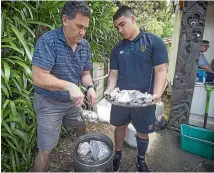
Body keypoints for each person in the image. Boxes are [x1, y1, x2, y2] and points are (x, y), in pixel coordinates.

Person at [32, 1, 96, 172]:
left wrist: (89, 87)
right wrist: (69, 86)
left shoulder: (85, 45)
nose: (82, 32)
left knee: (81, 129)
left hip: (73, 101)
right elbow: (38, 77)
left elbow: (85, 73)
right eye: (79, 26)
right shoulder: (49, 41)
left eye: (85, 28)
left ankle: (81, 165)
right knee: (46, 150)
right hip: (49, 102)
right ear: (65, 20)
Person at [104, 6, 168, 172]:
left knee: (142, 131)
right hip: (122, 99)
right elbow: (113, 74)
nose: (120, 30)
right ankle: (117, 155)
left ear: (133, 19)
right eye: (117, 27)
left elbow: (161, 70)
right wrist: (109, 91)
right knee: (120, 127)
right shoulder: (117, 49)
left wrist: (157, 93)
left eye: (122, 24)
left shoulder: (153, 42)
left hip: (145, 99)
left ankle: (141, 160)